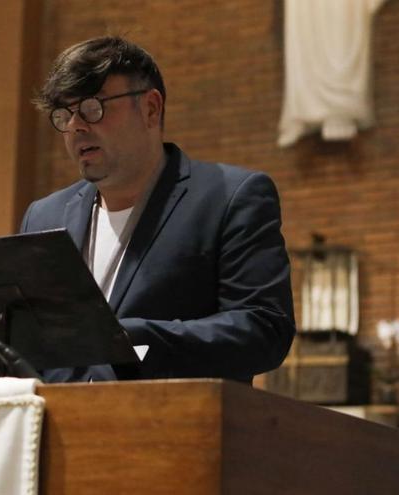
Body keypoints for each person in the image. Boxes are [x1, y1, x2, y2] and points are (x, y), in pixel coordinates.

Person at [21, 36, 295, 383]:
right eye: (63, 114)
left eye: (93, 108)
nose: (76, 126)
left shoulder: (229, 198)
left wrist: (133, 338)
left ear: (151, 108)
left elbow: (264, 329)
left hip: (178, 429)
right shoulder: (44, 217)